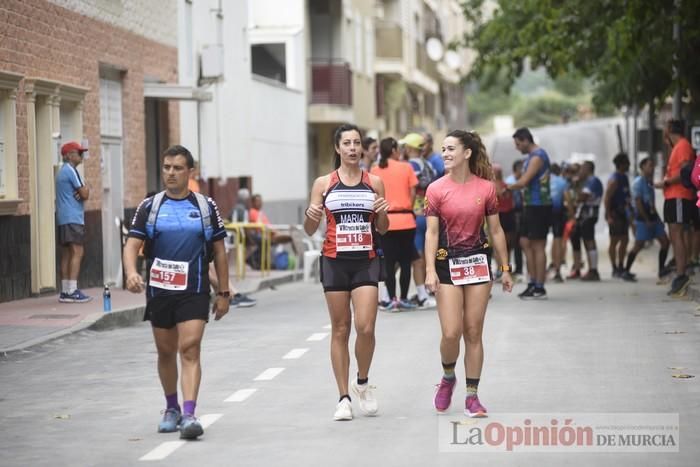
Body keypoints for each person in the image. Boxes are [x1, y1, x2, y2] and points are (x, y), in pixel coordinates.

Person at [123, 145, 230, 440]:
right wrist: (132, 272)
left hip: (194, 290)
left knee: (190, 348)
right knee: (166, 351)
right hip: (160, 290)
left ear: (189, 172)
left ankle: (190, 414)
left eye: (177, 168)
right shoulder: (150, 206)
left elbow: (220, 252)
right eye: (167, 167)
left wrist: (223, 292)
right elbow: (132, 245)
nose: (171, 173)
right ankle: (171, 408)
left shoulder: (205, 207)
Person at [303, 123, 389, 421]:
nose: (353, 148)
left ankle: (362, 381)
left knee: (365, 327)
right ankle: (343, 398)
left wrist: (382, 213)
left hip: (365, 259)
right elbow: (311, 228)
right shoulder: (324, 183)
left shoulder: (374, 182)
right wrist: (310, 216)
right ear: (338, 149)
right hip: (334, 260)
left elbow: (383, 229)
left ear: (361, 148)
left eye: (357, 143)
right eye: (347, 143)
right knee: (340, 329)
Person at [425, 130, 513, 417]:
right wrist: (429, 270)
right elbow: (432, 233)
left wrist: (506, 268)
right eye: (443, 149)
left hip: (477, 264)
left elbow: (496, 230)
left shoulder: (486, 189)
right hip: (446, 263)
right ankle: (448, 376)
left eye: (451, 148)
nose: (445, 153)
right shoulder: (436, 189)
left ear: (467, 153)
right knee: (451, 333)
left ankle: (472, 396)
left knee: (473, 332)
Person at [371, 137, 419, 310]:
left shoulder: (375, 170)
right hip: (406, 220)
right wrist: (408, 206)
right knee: (406, 262)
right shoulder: (406, 167)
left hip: (385, 222)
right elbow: (413, 192)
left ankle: (391, 299)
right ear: (393, 150)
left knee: (389, 263)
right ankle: (404, 298)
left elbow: (373, 196)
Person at [507, 128, 552, 299]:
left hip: (539, 205)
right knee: (525, 242)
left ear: (526, 140)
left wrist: (505, 188)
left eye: (518, 144)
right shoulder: (530, 158)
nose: (518, 148)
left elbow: (524, 181)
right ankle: (532, 282)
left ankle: (540, 287)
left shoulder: (538, 156)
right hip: (529, 205)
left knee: (538, 245)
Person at [656, 119, 696, 296]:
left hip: (680, 195)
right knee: (674, 233)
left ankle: (682, 272)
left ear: (670, 129)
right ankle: (680, 270)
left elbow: (685, 172)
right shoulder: (676, 147)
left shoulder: (683, 146)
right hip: (672, 196)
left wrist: (666, 182)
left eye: (665, 128)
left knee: (678, 232)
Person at [403, 132, 438, 308]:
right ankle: (428, 287)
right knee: (428, 253)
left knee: (416, 257)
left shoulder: (408, 167)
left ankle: (422, 292)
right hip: (430, 214)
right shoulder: (429, 165)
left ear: (409, 148)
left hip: (414, 215)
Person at [56, 141, 91, 303]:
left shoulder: (62, 171)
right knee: (77, 252)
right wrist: (84, 189)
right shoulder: (71, 171)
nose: (81, 155)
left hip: (63, 217)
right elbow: (84, 194)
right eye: (79, 152)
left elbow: (81, 193)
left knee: (66, 253)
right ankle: (72, 291)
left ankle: (65, 291)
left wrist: (81, 191)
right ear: (69, 155)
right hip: (73, 218)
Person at [624, 157, 670, 279]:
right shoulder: (638, 183)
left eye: (653, 166)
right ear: (642, 167)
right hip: (643, 219)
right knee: (638, 245)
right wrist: (646, 219)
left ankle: (661, 269)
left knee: (665, 242)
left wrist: (658, 219)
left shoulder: (649, 183)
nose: (652, 168)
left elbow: (651, 203)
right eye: (650, 165)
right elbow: (638, 203)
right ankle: (626, 270)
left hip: (653, 218)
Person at [605, 153, 634, 281]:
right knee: (614, 240)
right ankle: (614, 268)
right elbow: (607, 198)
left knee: (625, 239)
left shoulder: (624, 178)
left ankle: (621, 266)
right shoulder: (614, 179)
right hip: (615, 214)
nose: (629, 165)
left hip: (623, 213)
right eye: (627, 162)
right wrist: (608, 215)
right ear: (621, 164)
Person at [575, 161, 604, 281]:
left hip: (589, 214)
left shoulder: (592, 181)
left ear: (588, 169)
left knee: (589, 240)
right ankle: (591, 269)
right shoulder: (587, 181)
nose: (580, 171)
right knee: (587, 241)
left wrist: (576, 196)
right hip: (586, 215)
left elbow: (582, 197)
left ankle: (593, 270)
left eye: (582, 168)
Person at [493, 164, 516, 278]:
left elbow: (510, 200)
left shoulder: (506, 186)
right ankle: (501, 269)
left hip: (506, 215)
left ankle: (505, 268)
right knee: (500, 245)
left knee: (506, 245)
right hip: (498, 216)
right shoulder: (490, 186)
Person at [549, 163, 569, 282]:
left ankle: (536, 273)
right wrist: (571, 215)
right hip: (558, 213)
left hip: (543, 211)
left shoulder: (542, 180)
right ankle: (557, 270)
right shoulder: (562, 181)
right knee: (558, 240)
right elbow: (567, 198)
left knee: (540, 243)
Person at [505, 159, 525, 276]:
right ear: (516, 169)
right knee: (509, 243)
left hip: (521, 213)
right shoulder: (510, 182)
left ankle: (519, 268)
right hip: (510, 214)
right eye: (522, 168)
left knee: (519, 242)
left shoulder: (522, 182)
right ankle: (506, 269)